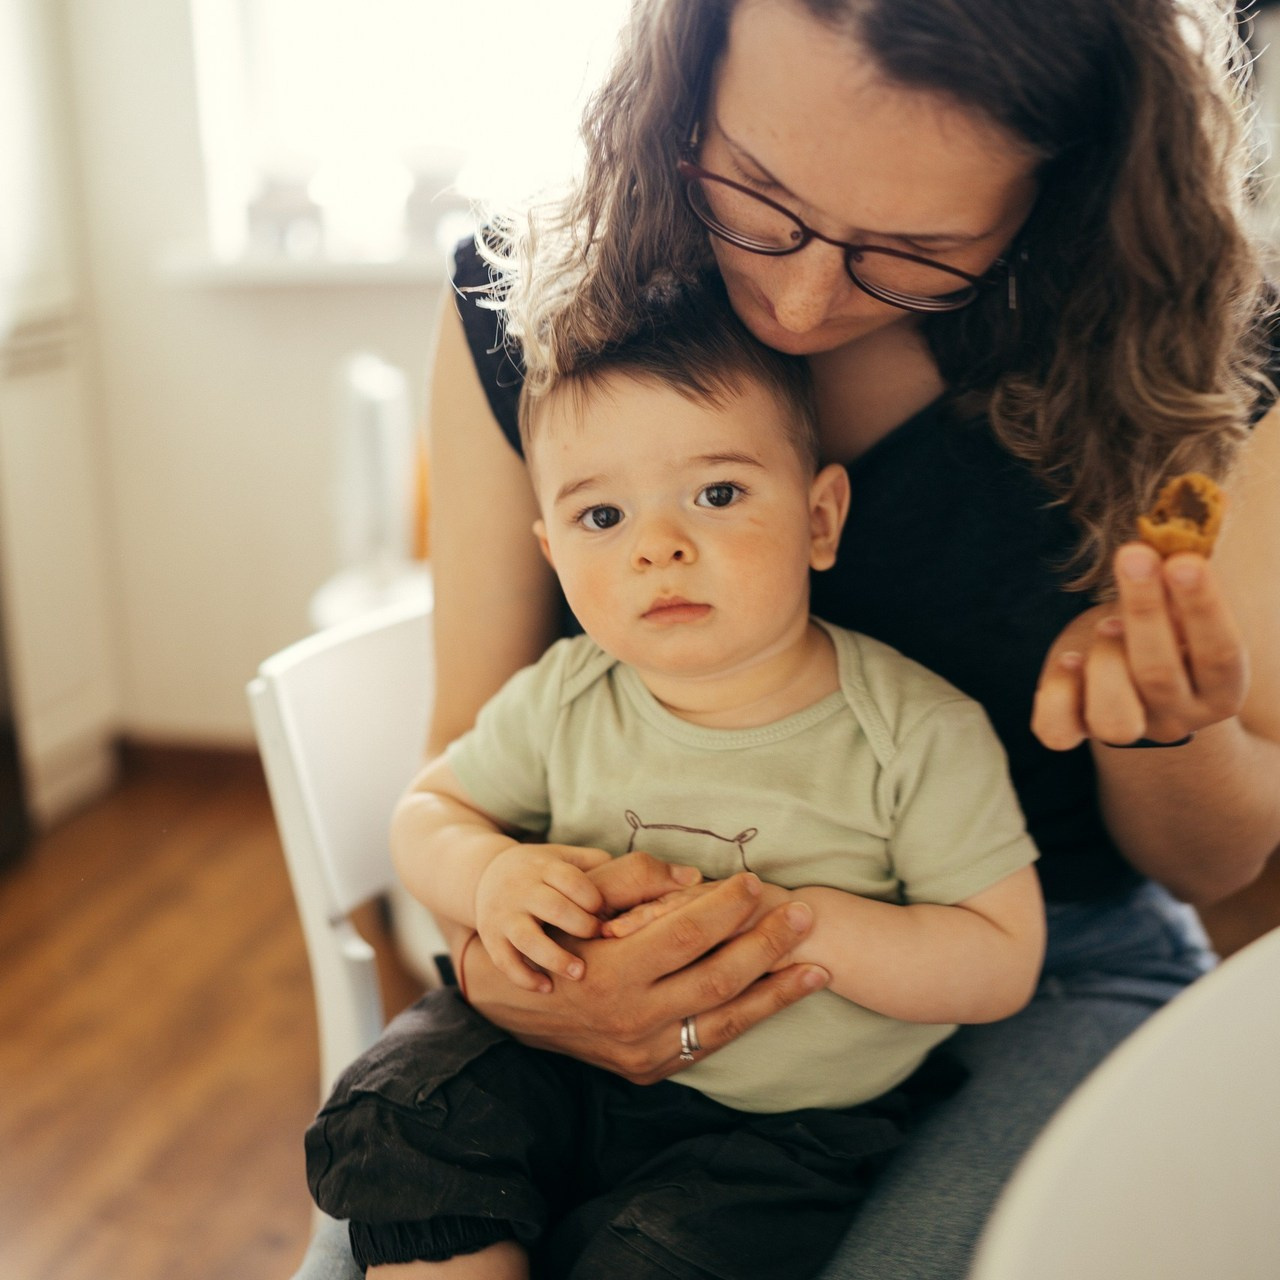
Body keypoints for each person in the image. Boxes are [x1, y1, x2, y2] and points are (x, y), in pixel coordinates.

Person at [301, 2, 1280, 1278]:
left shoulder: (1201, 354)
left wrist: (1163, 716)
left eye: (912, 251)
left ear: (1067, 183)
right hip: (603, 942)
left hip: (1042, 955)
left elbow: (1216, 863)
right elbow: (462, 772)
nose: (803, 295)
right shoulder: (528, 298)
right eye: (756, 196)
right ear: (682, 80)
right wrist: (518, 974)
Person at [305, 288, 1046, 1277]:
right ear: (555, 554)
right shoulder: (565, 694)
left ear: (819, 517)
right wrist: (488, 878)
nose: (657, 546)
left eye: (717, 494)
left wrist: (811, 923)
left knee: (673, 1254)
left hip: (784, 1125)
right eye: (602, 515)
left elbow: (1000, 957)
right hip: (550, 1060)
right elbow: (430, 809)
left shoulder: (914, 730)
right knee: (400, 1112)